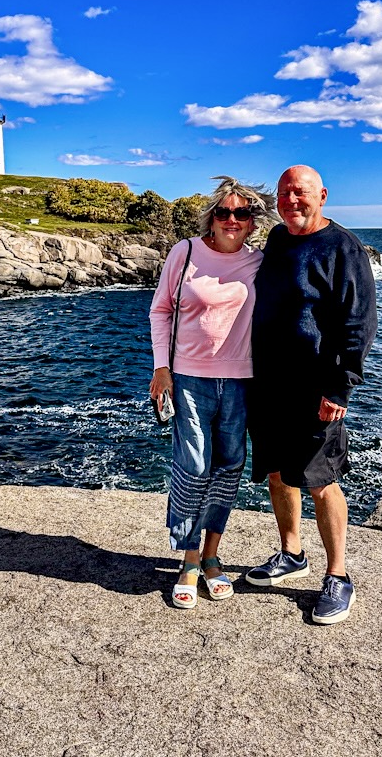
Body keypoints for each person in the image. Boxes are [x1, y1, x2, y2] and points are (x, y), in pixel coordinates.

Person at [246, 165, 377, 625]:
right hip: (268, 383)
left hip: (317, 386)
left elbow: (358, 323)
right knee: (278, 472)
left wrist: (339, 385)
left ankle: (338, 576)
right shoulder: (278, 240)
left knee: (320, 479)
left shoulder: (344, 248)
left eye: (299, 192)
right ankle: (291, 553)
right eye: (283, 194)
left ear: (321, 195)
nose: (290, 200)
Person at [149, 176, 277, 609]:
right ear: (212, 216)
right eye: (224, 212)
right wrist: (161, 369)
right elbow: (161, 310)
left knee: (228, 467)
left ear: (254, 221)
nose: (233, 220)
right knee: (193, 465)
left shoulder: (260, 262)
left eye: (243, 213)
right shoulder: (185, 252)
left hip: (243, 381)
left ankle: (211, 557)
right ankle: (187, 561)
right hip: (189, 379)